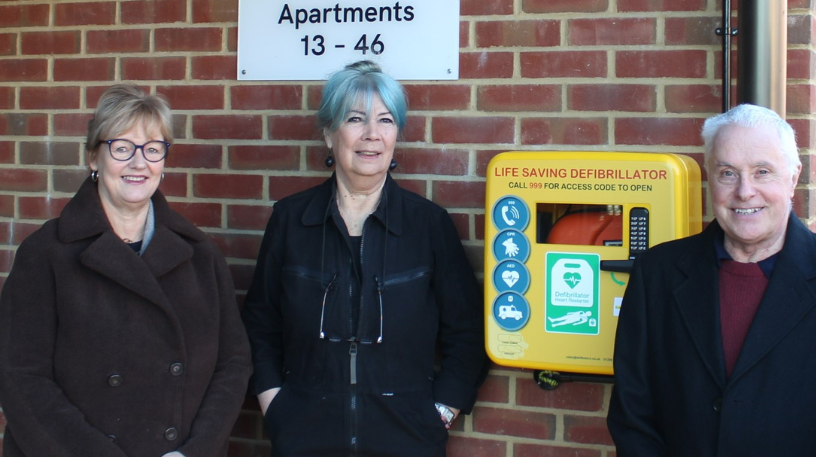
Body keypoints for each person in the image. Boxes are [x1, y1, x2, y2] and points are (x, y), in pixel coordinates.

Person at [607, 103, 816, 456]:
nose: (744, 191)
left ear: (793, 176)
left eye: (762, 172)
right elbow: (633, 413)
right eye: (727, 173)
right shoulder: (657, 273)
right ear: (711, 177)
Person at [242, 60, 489, 456]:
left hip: (407, 440)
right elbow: (261, 322)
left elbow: (468, 332)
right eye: (355, 119)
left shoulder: (428, 225)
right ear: (329, 133)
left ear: (397, 135)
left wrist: (438, 414)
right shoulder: (291, 220)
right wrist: (277, 406)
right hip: (304, 438)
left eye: (386, 121)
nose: (372, 135)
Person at [0, 85, 252, 456]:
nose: (139, 163)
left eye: (152, 148)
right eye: (122, 148)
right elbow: (20, 377)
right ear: (92, 158)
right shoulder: (46, 255)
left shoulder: (200, 256)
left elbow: (232, 364)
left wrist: (194, 451)